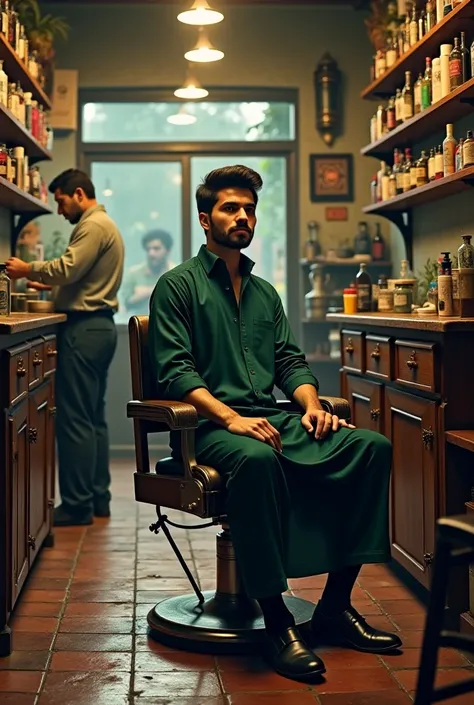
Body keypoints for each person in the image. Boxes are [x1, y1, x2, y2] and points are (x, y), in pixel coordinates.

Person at [149, 165, 402, 683]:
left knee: (370, 446)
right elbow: (175, 370)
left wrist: (310, 403)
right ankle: (278, 625)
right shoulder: (177, 286)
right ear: (205, 219)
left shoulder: (265, 292)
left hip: (274, 419)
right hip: (211, 429)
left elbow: (289, 361)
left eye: (249, 209)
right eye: (229, 208)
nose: (243, 216)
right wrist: (232, 418)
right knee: (259, 459)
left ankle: (334, 606)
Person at [6, 168, 125, 527]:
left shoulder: (93, 225)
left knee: (74, 419)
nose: (59, 209)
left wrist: (28, 269)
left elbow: (69, 267)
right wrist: (51, 288)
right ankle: (98, 498)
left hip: (84, 330)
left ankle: (76, 505)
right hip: (98, 328)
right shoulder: (104, 225)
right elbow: (80, 277)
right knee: (92, 419)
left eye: (60, 201)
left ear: (77, 193)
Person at [122, 229, 175, 315]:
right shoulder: (134, 273)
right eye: (148, 249)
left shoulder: (177, 274)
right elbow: (125, 304)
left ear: (168, 251)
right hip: (138, 325)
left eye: (156, 248)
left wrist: (147, 291)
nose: (151, 253)